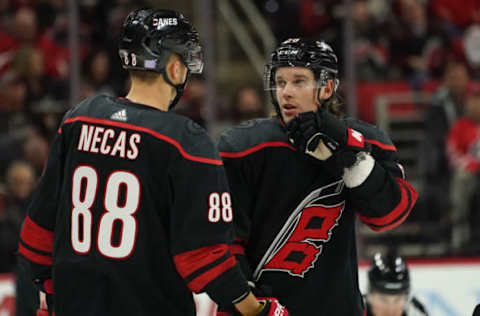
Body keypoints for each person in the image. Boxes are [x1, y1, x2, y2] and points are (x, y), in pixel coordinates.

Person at [17, 8, 288, 316]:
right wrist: (256, 309)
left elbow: (37, 232)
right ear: (174, 68)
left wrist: (49, 292)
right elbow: (205, 258)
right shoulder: (185, 141)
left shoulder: (79, 118)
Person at [217, 38, 418, 315]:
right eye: (280, 82)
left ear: (326, 87)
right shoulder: (244, 147)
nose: (285, 92)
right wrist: (249, 302)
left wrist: (350, 157)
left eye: (299, 81)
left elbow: (389, 215)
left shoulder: (365, 141)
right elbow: (222, 240)